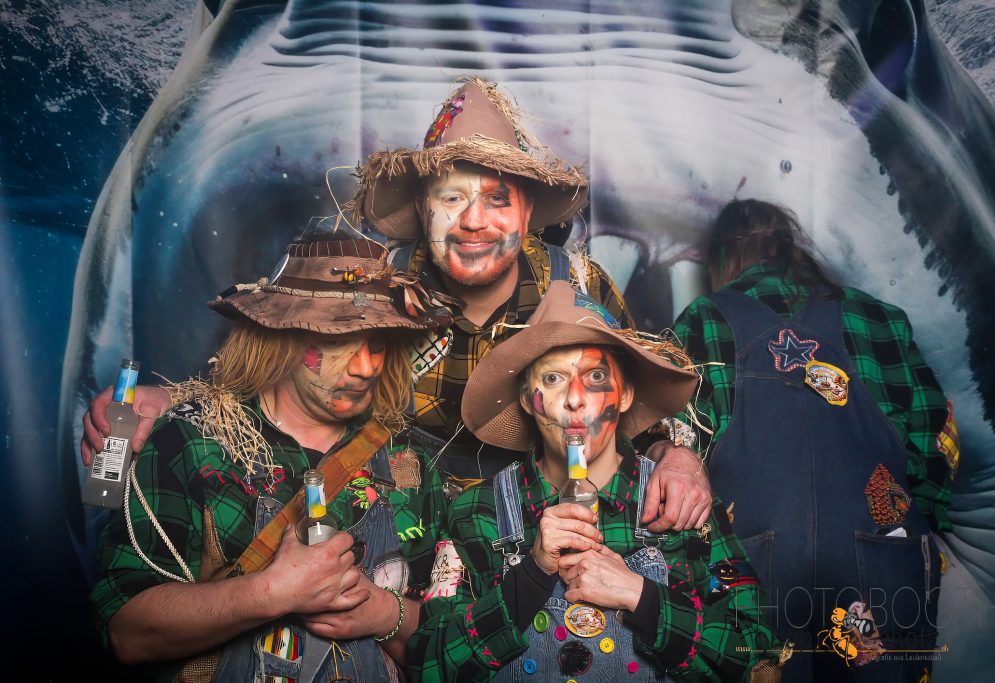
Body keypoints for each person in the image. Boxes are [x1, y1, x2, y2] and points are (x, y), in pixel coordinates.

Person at [82, 77, 713, 535]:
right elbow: (281, 378)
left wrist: (679, 457)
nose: (473, 222)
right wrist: (176, 400)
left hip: (542, 527)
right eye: (451, 198)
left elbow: (641, 403)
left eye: (497, 199)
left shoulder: (579, 283)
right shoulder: (373, 285)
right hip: (405, 528)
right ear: (420, 208)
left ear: (527, 212)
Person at [90, 236, 453, 681]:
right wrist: (271, 592)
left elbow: (453, 645)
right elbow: (127, 633)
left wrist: (385, 613)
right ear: (283, 336)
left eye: (376, 344)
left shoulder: (409, 462)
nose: (365, 368)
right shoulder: (192, 442)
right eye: (339, 341)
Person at [408, 281, 785, 682]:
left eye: (596, 376)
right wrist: (530, 578)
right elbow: (428, 668)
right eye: (553, 378)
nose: (574, 399)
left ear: (624, 395)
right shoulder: (477, 512)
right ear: (527, 400)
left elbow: (761, 663)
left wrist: (643, 598)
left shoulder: (682, 505)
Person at [672, 199, 956, 681]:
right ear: (791, 247)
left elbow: (679, 444)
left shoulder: (703, 319)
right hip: (881, 561)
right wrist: (913, 526)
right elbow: (936, 442)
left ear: (721, 259)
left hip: (752, 567)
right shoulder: (878, 317)